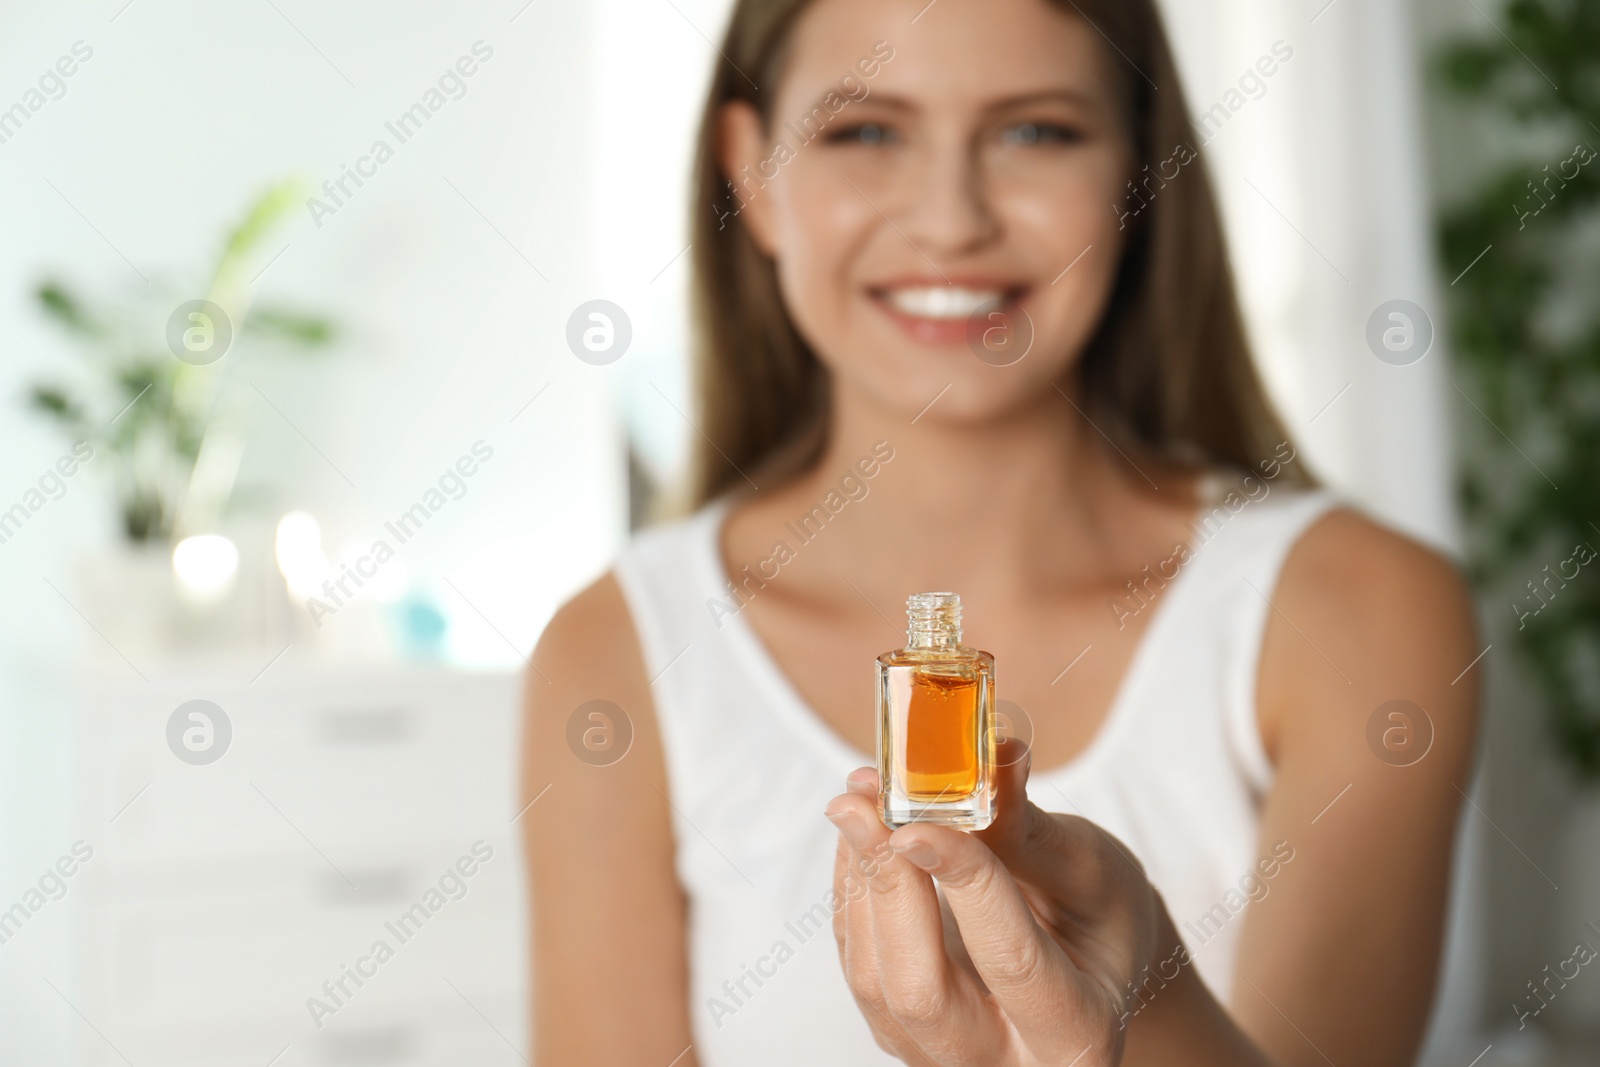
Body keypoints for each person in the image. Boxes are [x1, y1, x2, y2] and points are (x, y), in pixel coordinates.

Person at [521, 0, 1480, 1063]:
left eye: (1035, 131)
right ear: (751, 172)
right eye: (864, 131)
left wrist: (1136, 990)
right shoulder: (613, 652)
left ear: (1137, 176)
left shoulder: (1359, 608)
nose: (949, 220)